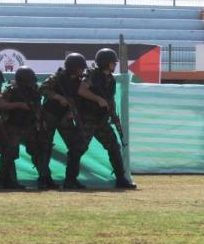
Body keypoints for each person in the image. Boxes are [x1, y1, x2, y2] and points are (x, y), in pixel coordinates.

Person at [78, 48, 136, 189]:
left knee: (114, 147)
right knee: (78, 148)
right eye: (112, 62)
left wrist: (114, 116)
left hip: (101, 120)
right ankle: (70, 180)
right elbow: (81, 90)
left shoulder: (111, 80)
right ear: (105, 63)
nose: (114, 65)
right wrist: (97, 98)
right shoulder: (92, 75)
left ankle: (121, 179)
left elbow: (110, 100)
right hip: (89, 118)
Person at [40, 53, 89, 190]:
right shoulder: (57, 78)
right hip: (49, 115)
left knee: (76, 146)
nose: (82, 71)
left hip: (65, 118)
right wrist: (57, 97)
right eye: (80, 68)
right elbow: (42, 89)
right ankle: (44, 179)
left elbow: (79, 100)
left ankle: (71, 179)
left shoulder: (80, 82)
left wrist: (70, 112)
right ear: (73, 67)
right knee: (45, 147)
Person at [0, 66, 49, 189]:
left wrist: (40, 120)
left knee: (39, 151)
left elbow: (38, 107)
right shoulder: (11, 90)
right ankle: (4, 181)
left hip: (30, 125)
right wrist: (19, 105)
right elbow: (0, 104)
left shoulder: (34, 90)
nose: (32, 83)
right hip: (13, 125)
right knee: (9, 153)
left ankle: (44, 179)